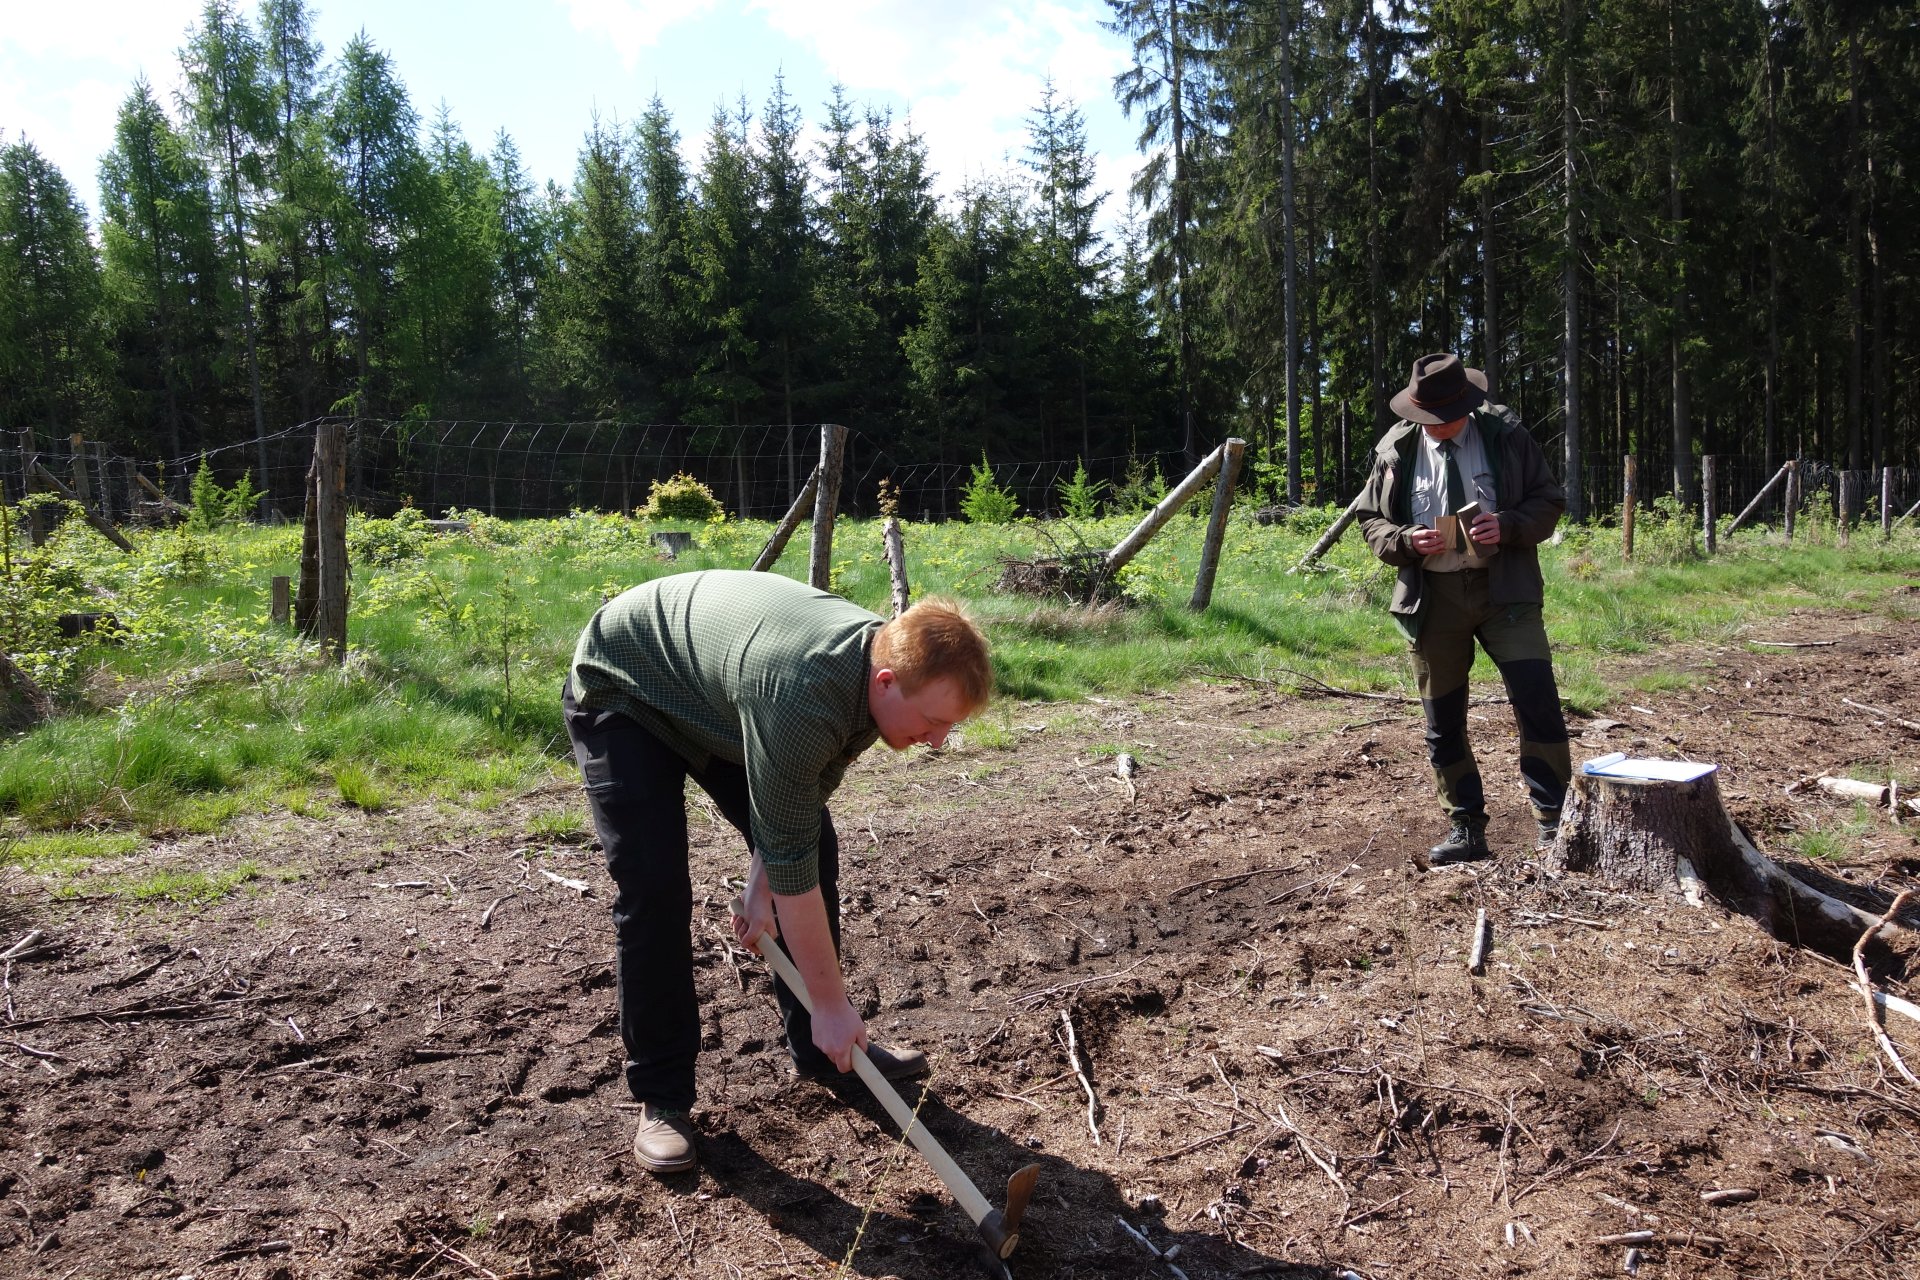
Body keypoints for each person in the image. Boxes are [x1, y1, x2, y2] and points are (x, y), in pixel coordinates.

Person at [562, 569, 992, 1174]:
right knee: (655, 886)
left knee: (812, 846)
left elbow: (800, 804)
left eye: (949, 726)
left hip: (714, 695)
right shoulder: (806, 696)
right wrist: (832, 1002)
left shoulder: (877, 678)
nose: (939, 741)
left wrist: (758, 889)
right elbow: (791, 856)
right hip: (628, 683)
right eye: (934, 721)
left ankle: (823, 1053)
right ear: (887, 682)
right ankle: (663, 1098)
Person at [1355, 353, 1573, 866]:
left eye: (1444, 416)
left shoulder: (1506, 436)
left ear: (1468, 405)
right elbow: (1371, 521)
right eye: (1425, 416)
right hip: (1434, 599)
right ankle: (1466, 828)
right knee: (1443, 719)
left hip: (1506, 593)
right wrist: (1407, 540)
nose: (1433, 425)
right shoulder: (1396, 450)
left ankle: (1555, 824)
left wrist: (1509, 525)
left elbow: (1548, 500)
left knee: (1537, 701)